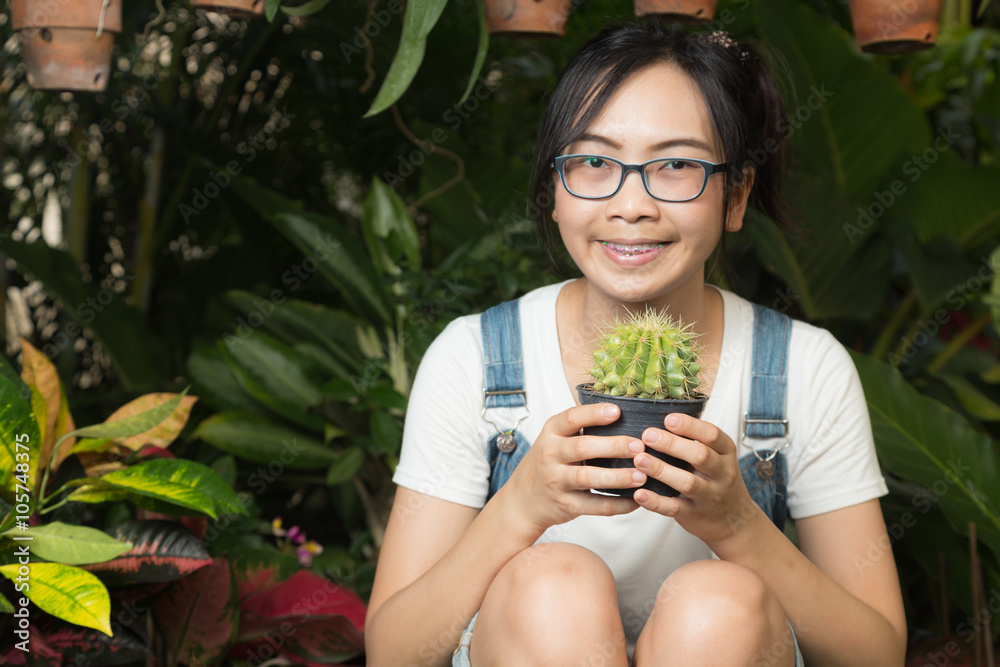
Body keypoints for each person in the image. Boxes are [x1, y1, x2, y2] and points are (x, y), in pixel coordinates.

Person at [365, 21, 907, 667]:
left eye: (675, 164)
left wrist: (738, 524)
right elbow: (393, 651)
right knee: (550, 584)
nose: (631, 204)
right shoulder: (474, 360)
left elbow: (876, 652)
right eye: (594, 161)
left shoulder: (803, 368)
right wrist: (519, 506)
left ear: (735, 196)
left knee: (718, 605)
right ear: (554, 189)